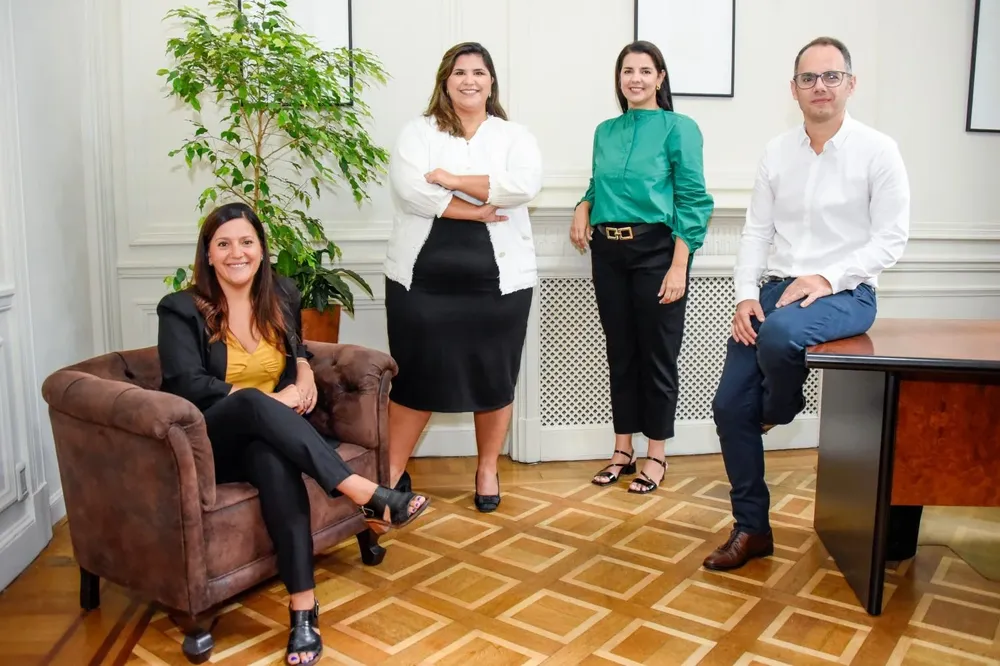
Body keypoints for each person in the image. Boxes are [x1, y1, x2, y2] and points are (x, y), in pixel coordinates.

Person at [156, 202, 430, 666]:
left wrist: (302, 372)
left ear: (262, 249)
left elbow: (297, 347)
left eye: (246, 242)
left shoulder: (280, 294)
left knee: (272, 461)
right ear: (207, 254)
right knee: (246, 402)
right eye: (223, 244)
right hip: (209, 441)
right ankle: (364, 492)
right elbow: (186, 384)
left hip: (267, 436)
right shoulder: (180, 308)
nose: (236, 253)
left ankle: (303, 608)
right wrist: (270, 400)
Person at [704, 36, 910, 570]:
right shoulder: (777, 152)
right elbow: (755, 233)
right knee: (728, 407)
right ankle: (753, 529)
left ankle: (781, 407)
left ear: (850, 83)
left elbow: (892, 239)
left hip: (848, 291)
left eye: (831, 76)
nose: (820, 87)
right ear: (793, 89)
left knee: (779, 336)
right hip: (776, 288)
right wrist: (746, 296)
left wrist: (828, 275)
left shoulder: (878, 150)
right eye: (808, 78)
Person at [382, 41, 542, 512]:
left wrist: (450, 179)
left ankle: (487, 468)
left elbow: (522, 186)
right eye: (459, 72)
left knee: (494, 377)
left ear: (491, 81)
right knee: (415, 377)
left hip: (499, 286)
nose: (469, 80)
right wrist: (471, 212)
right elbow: (410, 189)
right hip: (421, 284)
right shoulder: (418, 132)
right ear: (444, 81)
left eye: (478, 72)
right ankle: (390, 473)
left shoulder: (515, 136)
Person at [570, 41, 714, 494]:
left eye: (644, 70)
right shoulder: (604, 131)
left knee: (657, 354)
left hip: (657, 252)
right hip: (607, 254)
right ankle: (621, 450)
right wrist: (582, 205)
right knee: (621, 352)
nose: (635, 78)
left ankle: (656, 454)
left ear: (660, 78)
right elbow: (598, 182)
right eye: (627, 70)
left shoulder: (680, 128)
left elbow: (693, 200)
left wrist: (678, 266)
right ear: (619, 79)